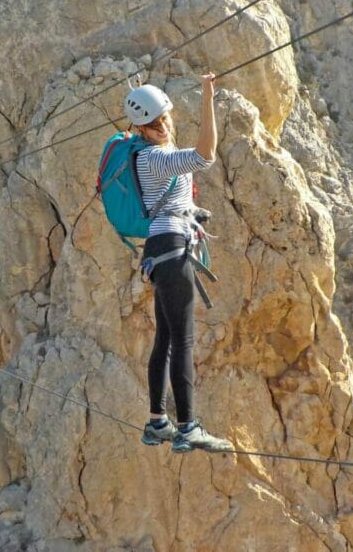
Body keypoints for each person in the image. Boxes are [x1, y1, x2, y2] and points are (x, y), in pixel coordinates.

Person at [127, 73, 232, 454]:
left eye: (165, 118)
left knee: (166, 338)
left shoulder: (141, 153)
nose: (167, 123)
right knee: (182, 339)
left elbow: (172, 200)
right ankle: (187, 428)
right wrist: (207, 97)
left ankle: (158, 422)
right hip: (173, 251)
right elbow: (205, 156)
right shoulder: (157, 157)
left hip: (159, 249)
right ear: (156, 122)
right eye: (163, 119)